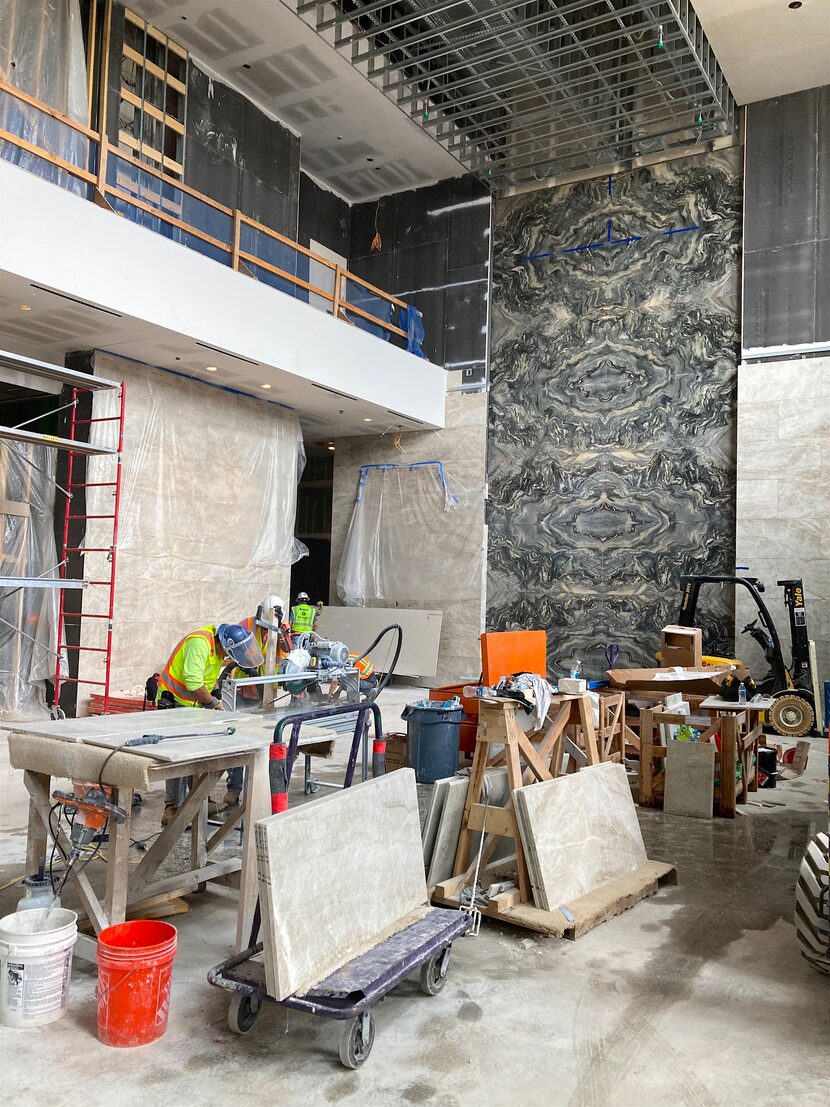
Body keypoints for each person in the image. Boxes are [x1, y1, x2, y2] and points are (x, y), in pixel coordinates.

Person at [156, 622, 264, 826]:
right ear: (226, 644)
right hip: (175, 704)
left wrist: (215, 694)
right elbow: (193, 682)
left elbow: (207, 679)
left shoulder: (217, 650)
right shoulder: (200, 643)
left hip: (193, 706)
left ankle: (198, 800)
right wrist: (214, 703)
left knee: (199, 753)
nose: (230, 659)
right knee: (178, 759)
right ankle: (172, 808)